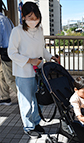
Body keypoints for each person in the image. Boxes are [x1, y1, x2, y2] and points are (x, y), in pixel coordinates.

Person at [8, 2, 59, 138]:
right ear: (23, 17)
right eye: (30, 17)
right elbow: (11, 53)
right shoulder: (17, 31)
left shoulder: (39, 30)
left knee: (39, 99)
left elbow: (41, 48)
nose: (33, 21)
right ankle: (28, 126)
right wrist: (30, 60)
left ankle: (36, 122)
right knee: (26, 101)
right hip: (23, 73)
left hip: (39, 71)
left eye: (36, 18)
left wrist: (50, 56)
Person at [0, 0, 17, 105]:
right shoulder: (7, 19)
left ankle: (25, 97)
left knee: (10, 78)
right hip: (10, 51)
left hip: (5, 52)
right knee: (2, 74)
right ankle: (4, 97)